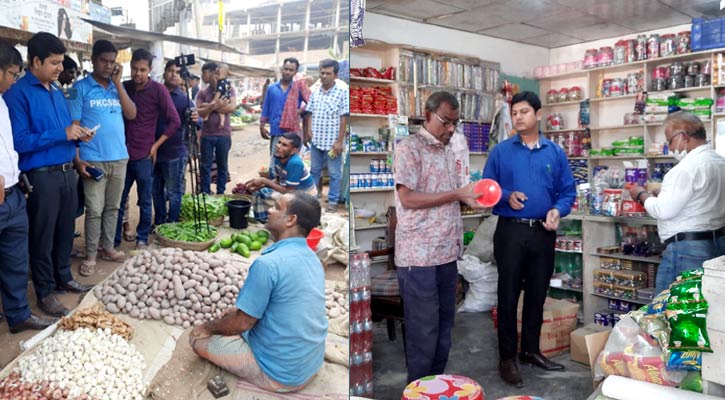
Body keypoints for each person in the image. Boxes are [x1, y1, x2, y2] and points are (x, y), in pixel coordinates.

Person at [482, 91, 576, 388]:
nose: (518, 117)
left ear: (538, 114)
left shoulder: (554, 152)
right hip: (511, 232)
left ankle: (531, 351)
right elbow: (486, 191)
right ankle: (507, 358)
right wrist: (506, 196)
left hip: (543, 233)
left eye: (524, 111)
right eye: (515, 112)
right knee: (508, 296)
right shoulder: (501, 151)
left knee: (537, 295)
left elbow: (567, 192)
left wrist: (557, 210)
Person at [189, 191, 327, 392]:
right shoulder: (313, 258)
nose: (269, 210)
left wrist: (207, 328)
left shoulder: (267, 264)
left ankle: (265, 373)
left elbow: (243, 323)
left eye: (277, 207)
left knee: (197, 339)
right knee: (233, 315)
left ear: (291, 220)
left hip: (282, 375)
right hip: (309, 364)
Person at [393, 91, 484, 384]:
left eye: (455, 123)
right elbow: (407, 198)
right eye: (446, 122)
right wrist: (457, 194)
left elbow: (447, 197)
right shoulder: (409, 148)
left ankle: (437, 386)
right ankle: (418, 389)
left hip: (447, 252)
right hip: (418, 255)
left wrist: (471, 199)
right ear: (428, 114)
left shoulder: (447, 152)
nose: (451, 129)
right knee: (423, 330)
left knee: (445, 325)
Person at [4, 32, 94, 317]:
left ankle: (63, 277)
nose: (59, 68)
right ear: (36, 61)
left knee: (64, 230)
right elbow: (20, 141)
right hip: (41, 175)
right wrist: (62, 133)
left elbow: (64, 131)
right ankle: (45, 291)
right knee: (42, 236)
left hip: (67, 172)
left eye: (60, 62)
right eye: (54, 62)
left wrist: (78, 136)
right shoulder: (18, 93)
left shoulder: (56, 91)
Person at [627, 111, 725, 293]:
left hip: (687, 249)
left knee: (672, 308)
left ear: (684, 137)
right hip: (717, 243)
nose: (670, 147)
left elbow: (662, 210)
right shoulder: (719, 162)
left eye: (670, 140)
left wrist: (640, 194)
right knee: (706, 305)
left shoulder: (685, 169)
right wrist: (662, 190)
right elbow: (700, 198)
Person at [0, 39, 58, 332]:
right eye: (11, 72)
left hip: (12, 193)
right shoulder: (16, 95)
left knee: (15, 262)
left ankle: (18, 314)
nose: (14, 78)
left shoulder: (2, 101)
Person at [67, 39, 136, 276]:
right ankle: (91, 255)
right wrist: (77, 161)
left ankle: (109, 247)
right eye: (104, 61)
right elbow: (73, 125)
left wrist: (117, 83)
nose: (108, 66)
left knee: (113, 207)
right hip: (92, 159)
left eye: (112, 62)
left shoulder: (118, 86)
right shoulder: (79, 88)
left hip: (119, 157)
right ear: (93, 60)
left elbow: (132, 113)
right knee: (94, 209)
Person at [114, 48, 180, 249]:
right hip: (122, 155)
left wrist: (156, 145)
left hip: (144, 155)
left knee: (144, 200)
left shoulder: (158, 90)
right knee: (118, 201)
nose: (138, 74)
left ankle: (142, 236)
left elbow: (174, 121)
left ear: (150, 70)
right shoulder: (124, 87)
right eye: (134, 68)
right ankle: (114, 240)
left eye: (142, 70)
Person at [153, 59, 197, 225]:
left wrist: (195, 117)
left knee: (174, 191)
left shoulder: (184, 99)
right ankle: (159, 222)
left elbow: (196, 123)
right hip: (153, 151)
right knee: (156, 191)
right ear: (164, 72)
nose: (174, 75)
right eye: (170, 70)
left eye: (178, 73)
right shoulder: (155, 93)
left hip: (174, 153)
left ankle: (172, 223)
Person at [304, 59, 349, 213]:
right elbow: (309, 113)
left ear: (335, 75)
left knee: (334, 173)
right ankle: (312, 199)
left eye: (328, 73)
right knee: (314, 171)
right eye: (322, 73)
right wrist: (308, 131)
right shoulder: (315, 92)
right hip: (316, 140)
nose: (324, 76)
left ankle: (333, 202)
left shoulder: (342, 92)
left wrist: (339, 141)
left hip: (332, 143)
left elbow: (344, 117)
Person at [245, 132, 317, 223]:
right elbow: (279, 179)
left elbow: (289, 191)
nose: (278, 146)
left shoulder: (295, 163)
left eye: (284, 145)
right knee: (259, 192)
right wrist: (261, 186)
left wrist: (265, 181)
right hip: (291, 190)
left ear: (294, 150)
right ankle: (263, 220)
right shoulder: (278, 157)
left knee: (277, 200)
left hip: (305, 197)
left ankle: (275, 220)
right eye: (279, 142)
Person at [260, 58, 310, 169]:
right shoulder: (272, 88)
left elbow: (312, 101)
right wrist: (262, 125)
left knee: (290, 162)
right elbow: (266, 107)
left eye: (291, 70)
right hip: (276, 130)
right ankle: (274, 183)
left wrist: (300, 111)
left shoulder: (298, 87)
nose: (287, 72)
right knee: (275, 160)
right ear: (282, 69)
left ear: (295, 72)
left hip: (292, 132)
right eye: (286, 69)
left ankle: (288, 185)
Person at [197, 61, 236, 194]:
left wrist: (208, 106)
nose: (203, 75)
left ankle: (220, 192)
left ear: (214, 73)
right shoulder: (202, 92)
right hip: (206, 134)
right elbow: (199, 112)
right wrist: (214, 106)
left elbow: (231, 107)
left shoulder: (229, 89)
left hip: (223, 134)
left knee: (222, 165)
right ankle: (206, 192)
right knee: (205, 166)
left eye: (205, 72)